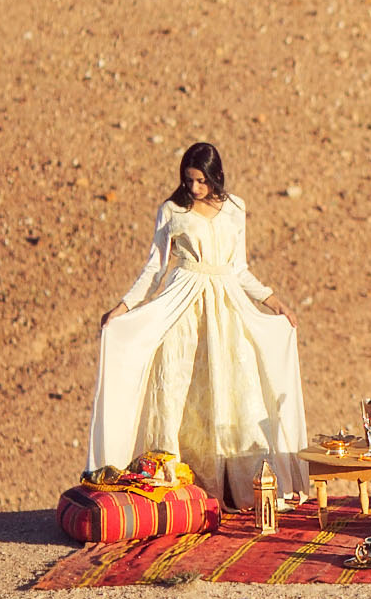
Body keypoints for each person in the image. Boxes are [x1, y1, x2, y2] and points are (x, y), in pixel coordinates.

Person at [86, 142, 308, 507]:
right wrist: (124, 307)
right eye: (189, 180)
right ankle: (180, 487)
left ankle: (241, 486)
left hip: (226, 308)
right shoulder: (172, 210)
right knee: (177, 393)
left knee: (235, 392)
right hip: (182, 305)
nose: (194, 188)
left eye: (201, 181)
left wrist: (273, 301)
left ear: (215, 176)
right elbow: (154, 268)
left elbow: (238, 268)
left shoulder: (235, 208)